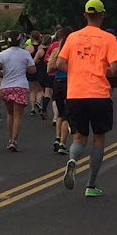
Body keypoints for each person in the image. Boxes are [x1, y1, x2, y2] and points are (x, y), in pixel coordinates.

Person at [56, 0, 117, 197]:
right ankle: (91, 185)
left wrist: (76, 71)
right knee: (98, 138)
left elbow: (59, 62)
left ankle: (73, 160)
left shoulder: (72, 37)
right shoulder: (109, 39)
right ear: (102, 15)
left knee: (78, 137)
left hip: (76, 94)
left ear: (85, 15)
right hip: (99, 94)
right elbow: (114, 68)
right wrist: (105, 72)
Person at [0, 30, 37, 152]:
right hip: (20, 86)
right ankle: (14, 140)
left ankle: (10, 138)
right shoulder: (25, 54)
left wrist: (1, 73)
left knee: (10, 114)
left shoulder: (3, 54)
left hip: (6, 86)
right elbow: (33, 69)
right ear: (20, 41)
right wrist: (25, 68)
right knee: (18, 115)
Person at [47, 26, 73, 155]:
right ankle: (63, 143)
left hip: (57, 82)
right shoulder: (72, 51)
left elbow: (49, 69)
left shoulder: (56, 51)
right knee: (68, 114)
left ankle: (57, 137)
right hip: (69, 82)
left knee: (60, 113)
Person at [34, 33, 55, 120]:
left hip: (41, 73)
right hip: (49, 72)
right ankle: (44, 108)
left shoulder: (40, 51)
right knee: (48, 92)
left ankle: (39, 102)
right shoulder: (52, 51)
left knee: (41, 90)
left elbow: (34, 61)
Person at [25, 30, 43, 116]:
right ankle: (38, 101)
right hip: (40, 69)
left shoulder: (28, 48)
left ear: (31, 37)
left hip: (31, 69)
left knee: (32, 89)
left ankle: (32, 108)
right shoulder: (42, 47)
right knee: (40, 89)